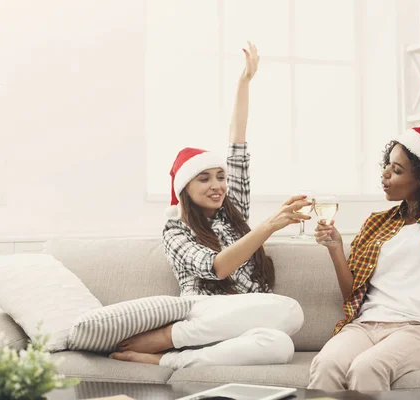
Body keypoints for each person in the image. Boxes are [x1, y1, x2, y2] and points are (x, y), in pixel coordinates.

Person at [109, 42, 309, 370]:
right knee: (289, 311)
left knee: (280, 346)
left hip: (241, 318)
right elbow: (216, 268)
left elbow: (238, 142)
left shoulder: (233, 212)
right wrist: (269, 225)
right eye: (204, 179)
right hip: (203, 311)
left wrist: (244, 82)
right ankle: (167, 337)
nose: (217, 185)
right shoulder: (175, 227)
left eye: (220, 177)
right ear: (185, 188)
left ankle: (169, 360)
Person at [308, 32, 420, 391]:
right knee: (325, 364)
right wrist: (336, 248)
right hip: (367, 324)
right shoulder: (377, 224)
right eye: (387, 165)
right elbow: (351, 295)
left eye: (397, 170)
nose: (384, 175)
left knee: (366, 371)